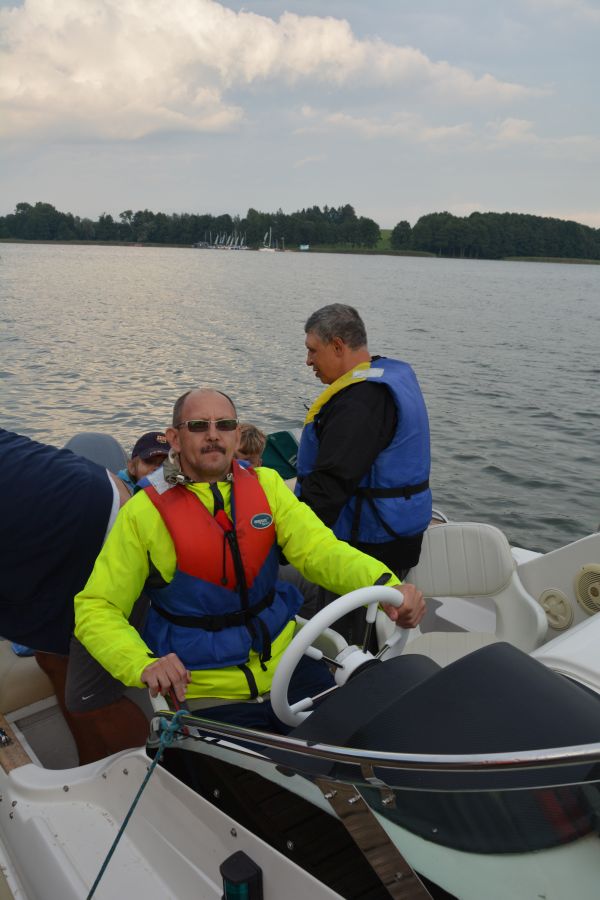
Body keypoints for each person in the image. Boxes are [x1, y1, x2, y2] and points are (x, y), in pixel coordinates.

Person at [74, 388, 426, 733]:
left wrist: (386, 585)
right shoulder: (142, 513)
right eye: (198, 426)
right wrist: (142, 664)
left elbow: (320, 549)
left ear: (237, 434)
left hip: (288, 666)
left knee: (367, 738)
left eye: (224, 425)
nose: (213, 435)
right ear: (175, 439)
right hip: (205, 689)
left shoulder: (267, 485)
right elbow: (97, 607)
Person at [0, 428, 148, 763]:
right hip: (72, 507)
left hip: (97, 524)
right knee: (52, 658)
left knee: (92, 697)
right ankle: (90, 760)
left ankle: (158, 779)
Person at [294, 304, 432, 642]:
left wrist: (286, 539)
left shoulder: (361, 402)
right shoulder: (382, 378)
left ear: (338, 346)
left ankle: (349, 670)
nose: (308, 361)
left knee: (347, 643)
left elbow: (331, 485)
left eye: (313, 350)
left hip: (369, 547)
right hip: (394, 536)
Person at [117, 430, 168, 494]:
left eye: (165, 464)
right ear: (132, 467)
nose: (157, 469)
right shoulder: (117, 492)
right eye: (149, 462)